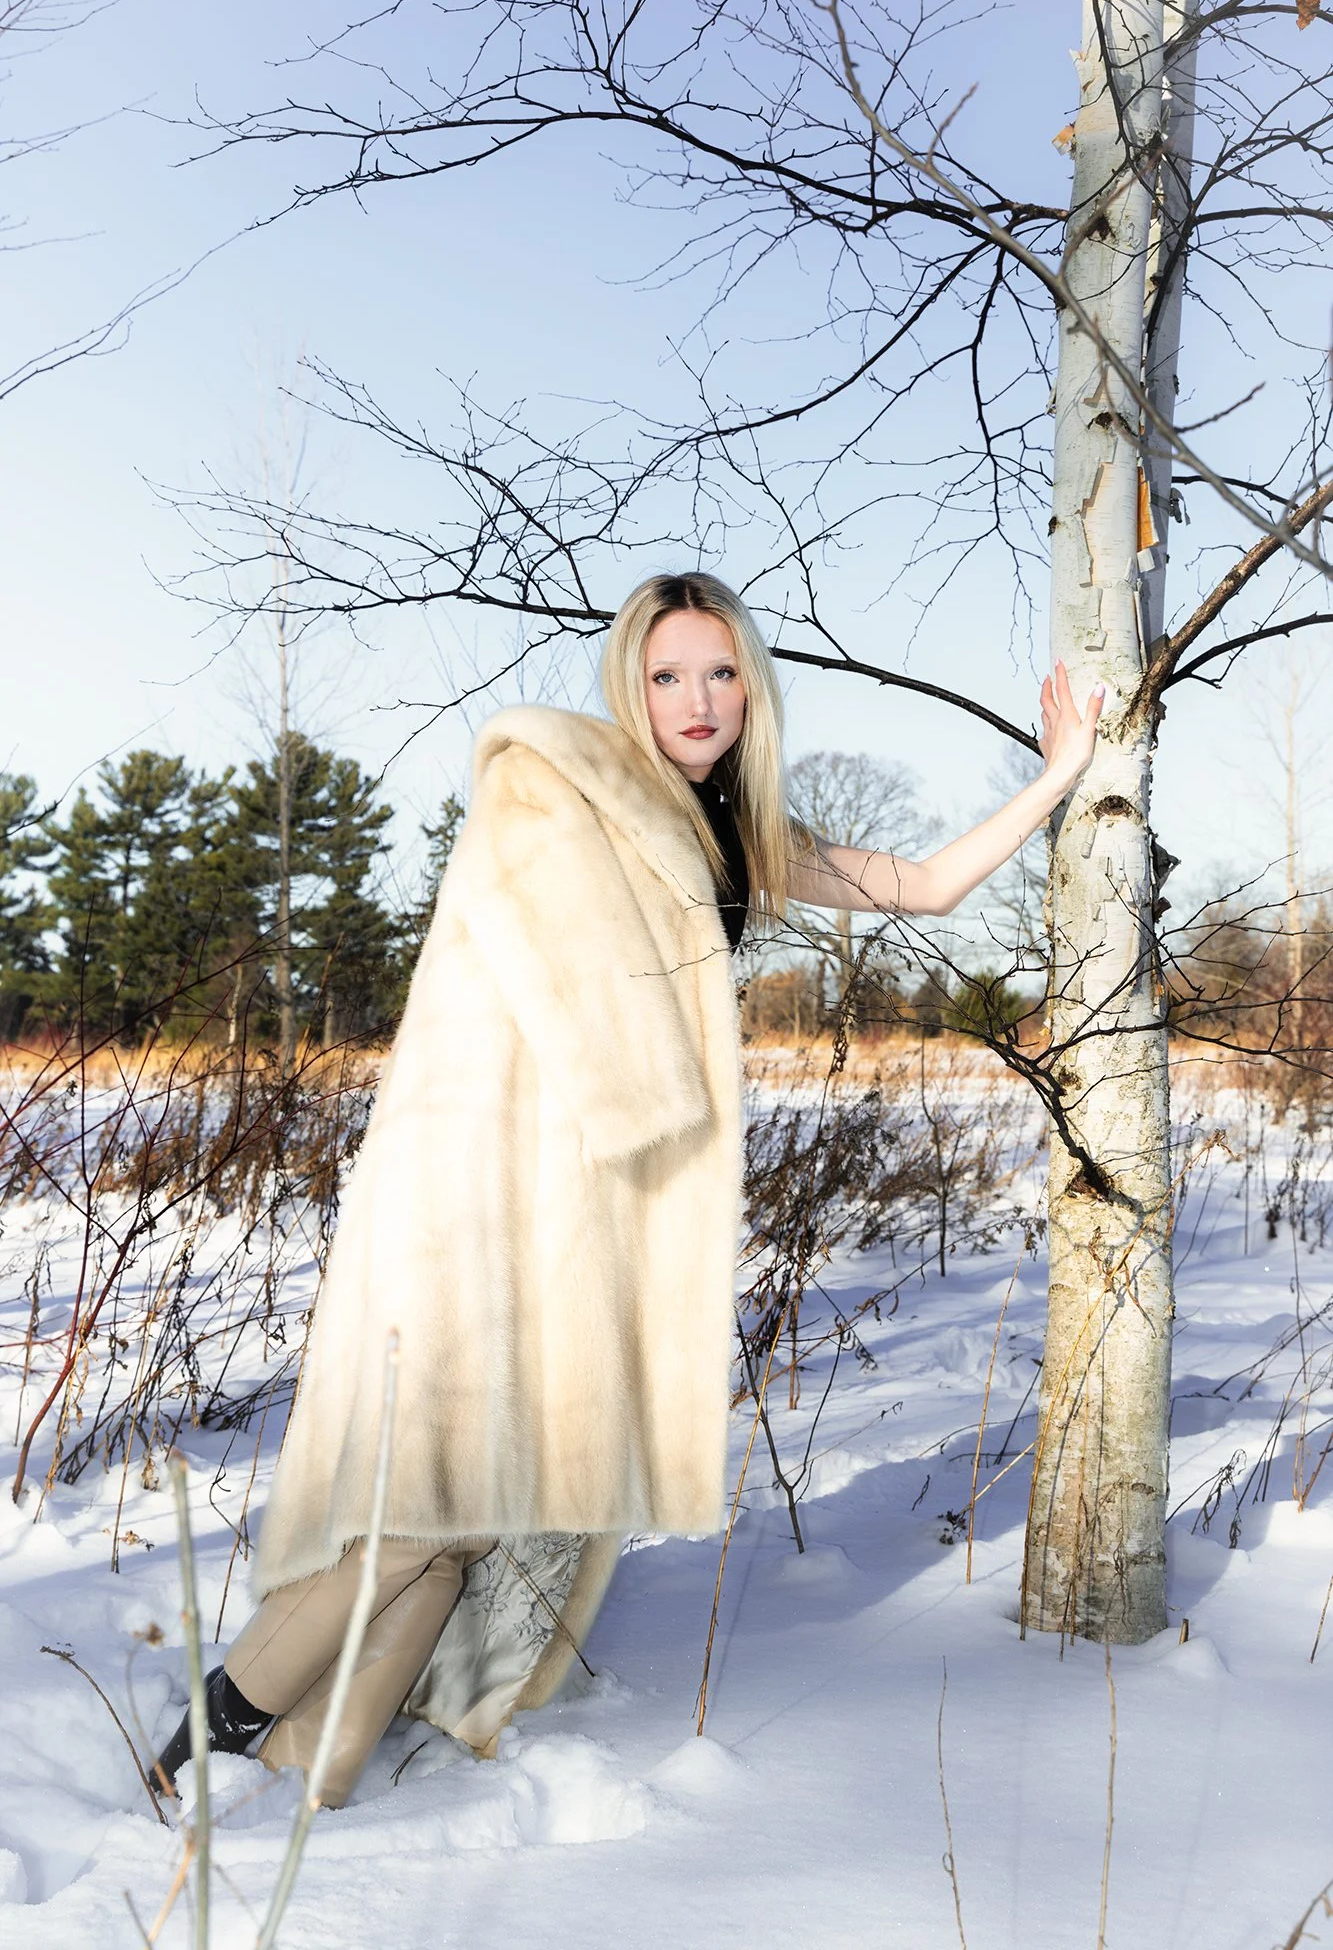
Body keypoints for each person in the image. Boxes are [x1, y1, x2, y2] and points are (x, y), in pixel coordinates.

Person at [151, 571, 1102, 1805]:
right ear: (629, 685)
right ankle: (207, 1735)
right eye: (667, 675)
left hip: (596, 1220)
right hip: (489, 1203)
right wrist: (659, 1107)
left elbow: (916, 884)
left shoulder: (732, 830)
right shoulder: (564, 788)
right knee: (436, 1511)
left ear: (750, 689)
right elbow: (548, 976)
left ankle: (307, 1781)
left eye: (719, 673)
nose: (695, 699)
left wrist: (1057, 774)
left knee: (479, 1527)